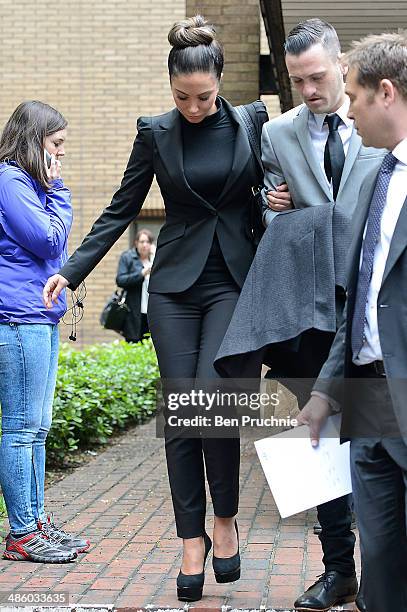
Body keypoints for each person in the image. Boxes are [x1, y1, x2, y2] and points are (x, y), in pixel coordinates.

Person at [43, 15, 268, 601]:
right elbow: (122, 209)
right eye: (181, 97)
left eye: (204, 97)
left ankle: (225, 520)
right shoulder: (155, 132)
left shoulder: (252, 121)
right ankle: (190, 539)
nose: (193, 107)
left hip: (232, 281)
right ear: (170, 88)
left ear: (220, 83)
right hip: (173, 285)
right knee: (180, 408)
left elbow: (271, 187)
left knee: (211, 399)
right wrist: (70, 271)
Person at [259, 19, 386, 612]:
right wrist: (270, 202)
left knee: (374, 437)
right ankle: (339, 569)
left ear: (340, 66)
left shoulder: (377, 126)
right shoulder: (278, 132)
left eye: (317, 77)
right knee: (314, 437)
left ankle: (383, 571)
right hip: (307, 306)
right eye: (297, 81)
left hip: (369, 303)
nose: (309, 90)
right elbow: (272, 206)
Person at [299, 31, 407, 612]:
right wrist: (323, 390)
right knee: (382, 557)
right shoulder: (379, 176)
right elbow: (362, 297)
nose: (350, 109)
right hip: (366, 396)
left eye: (357, 96)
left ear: (385, 93)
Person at [0, 101, 89, 563]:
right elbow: (50, 241)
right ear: (35, 142)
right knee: (21, 428)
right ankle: (21, 532)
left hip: (38, 317)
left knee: (37, 428)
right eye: (56, 146)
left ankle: (34, 523)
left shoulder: (28, 185)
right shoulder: (11, 181)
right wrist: (58, 191)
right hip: (17, 318)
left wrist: (51, 191)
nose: (60, 156)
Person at [116, 228, 154, 343]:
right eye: (142, 242)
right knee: (134, 345)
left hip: (152, 313)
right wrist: (142, 273)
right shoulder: (127, 257)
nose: (145, 245)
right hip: (133, 313)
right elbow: (120, 280)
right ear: (136, 243)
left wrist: (156, 255)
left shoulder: (155, 260)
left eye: (148, 242)